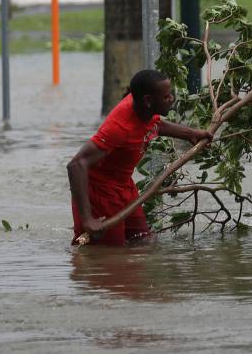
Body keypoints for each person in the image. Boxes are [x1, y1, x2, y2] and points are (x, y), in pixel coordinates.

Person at [68, 69, 212, 246]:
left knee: (142, 241)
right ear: (148, 101)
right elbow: (76, 165)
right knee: (107, 254)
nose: (171, 99)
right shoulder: (119, 127)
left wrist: (191, 133)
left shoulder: (144, 109)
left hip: (124, 186)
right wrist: (88, 219)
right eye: (166, 96)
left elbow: (155, 124)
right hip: (100, 194)